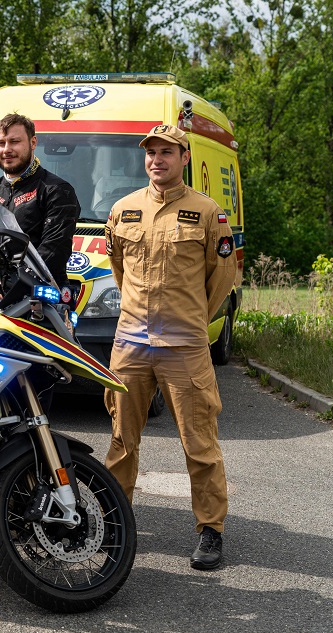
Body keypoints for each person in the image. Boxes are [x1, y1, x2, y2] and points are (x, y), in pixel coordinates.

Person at [103, 124, 238, 570]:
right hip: (131, 344)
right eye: (151, 152)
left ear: (184, 157)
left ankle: (211, 530)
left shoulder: (207, 213)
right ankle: (113, 522)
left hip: (184, 345)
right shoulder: (123, 210)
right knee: (122, 439)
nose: (157, 159)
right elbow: (120, 273)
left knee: (199, 442)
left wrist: (193, 318)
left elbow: (221, 279)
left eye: (167, 152)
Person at [0, 113, 79, 297]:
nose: (7, 149)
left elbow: (53, 251)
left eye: (14, 141)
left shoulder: (56, 190)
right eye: (1, 143)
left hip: (38, 299)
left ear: (33, 143)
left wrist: (13, 289)